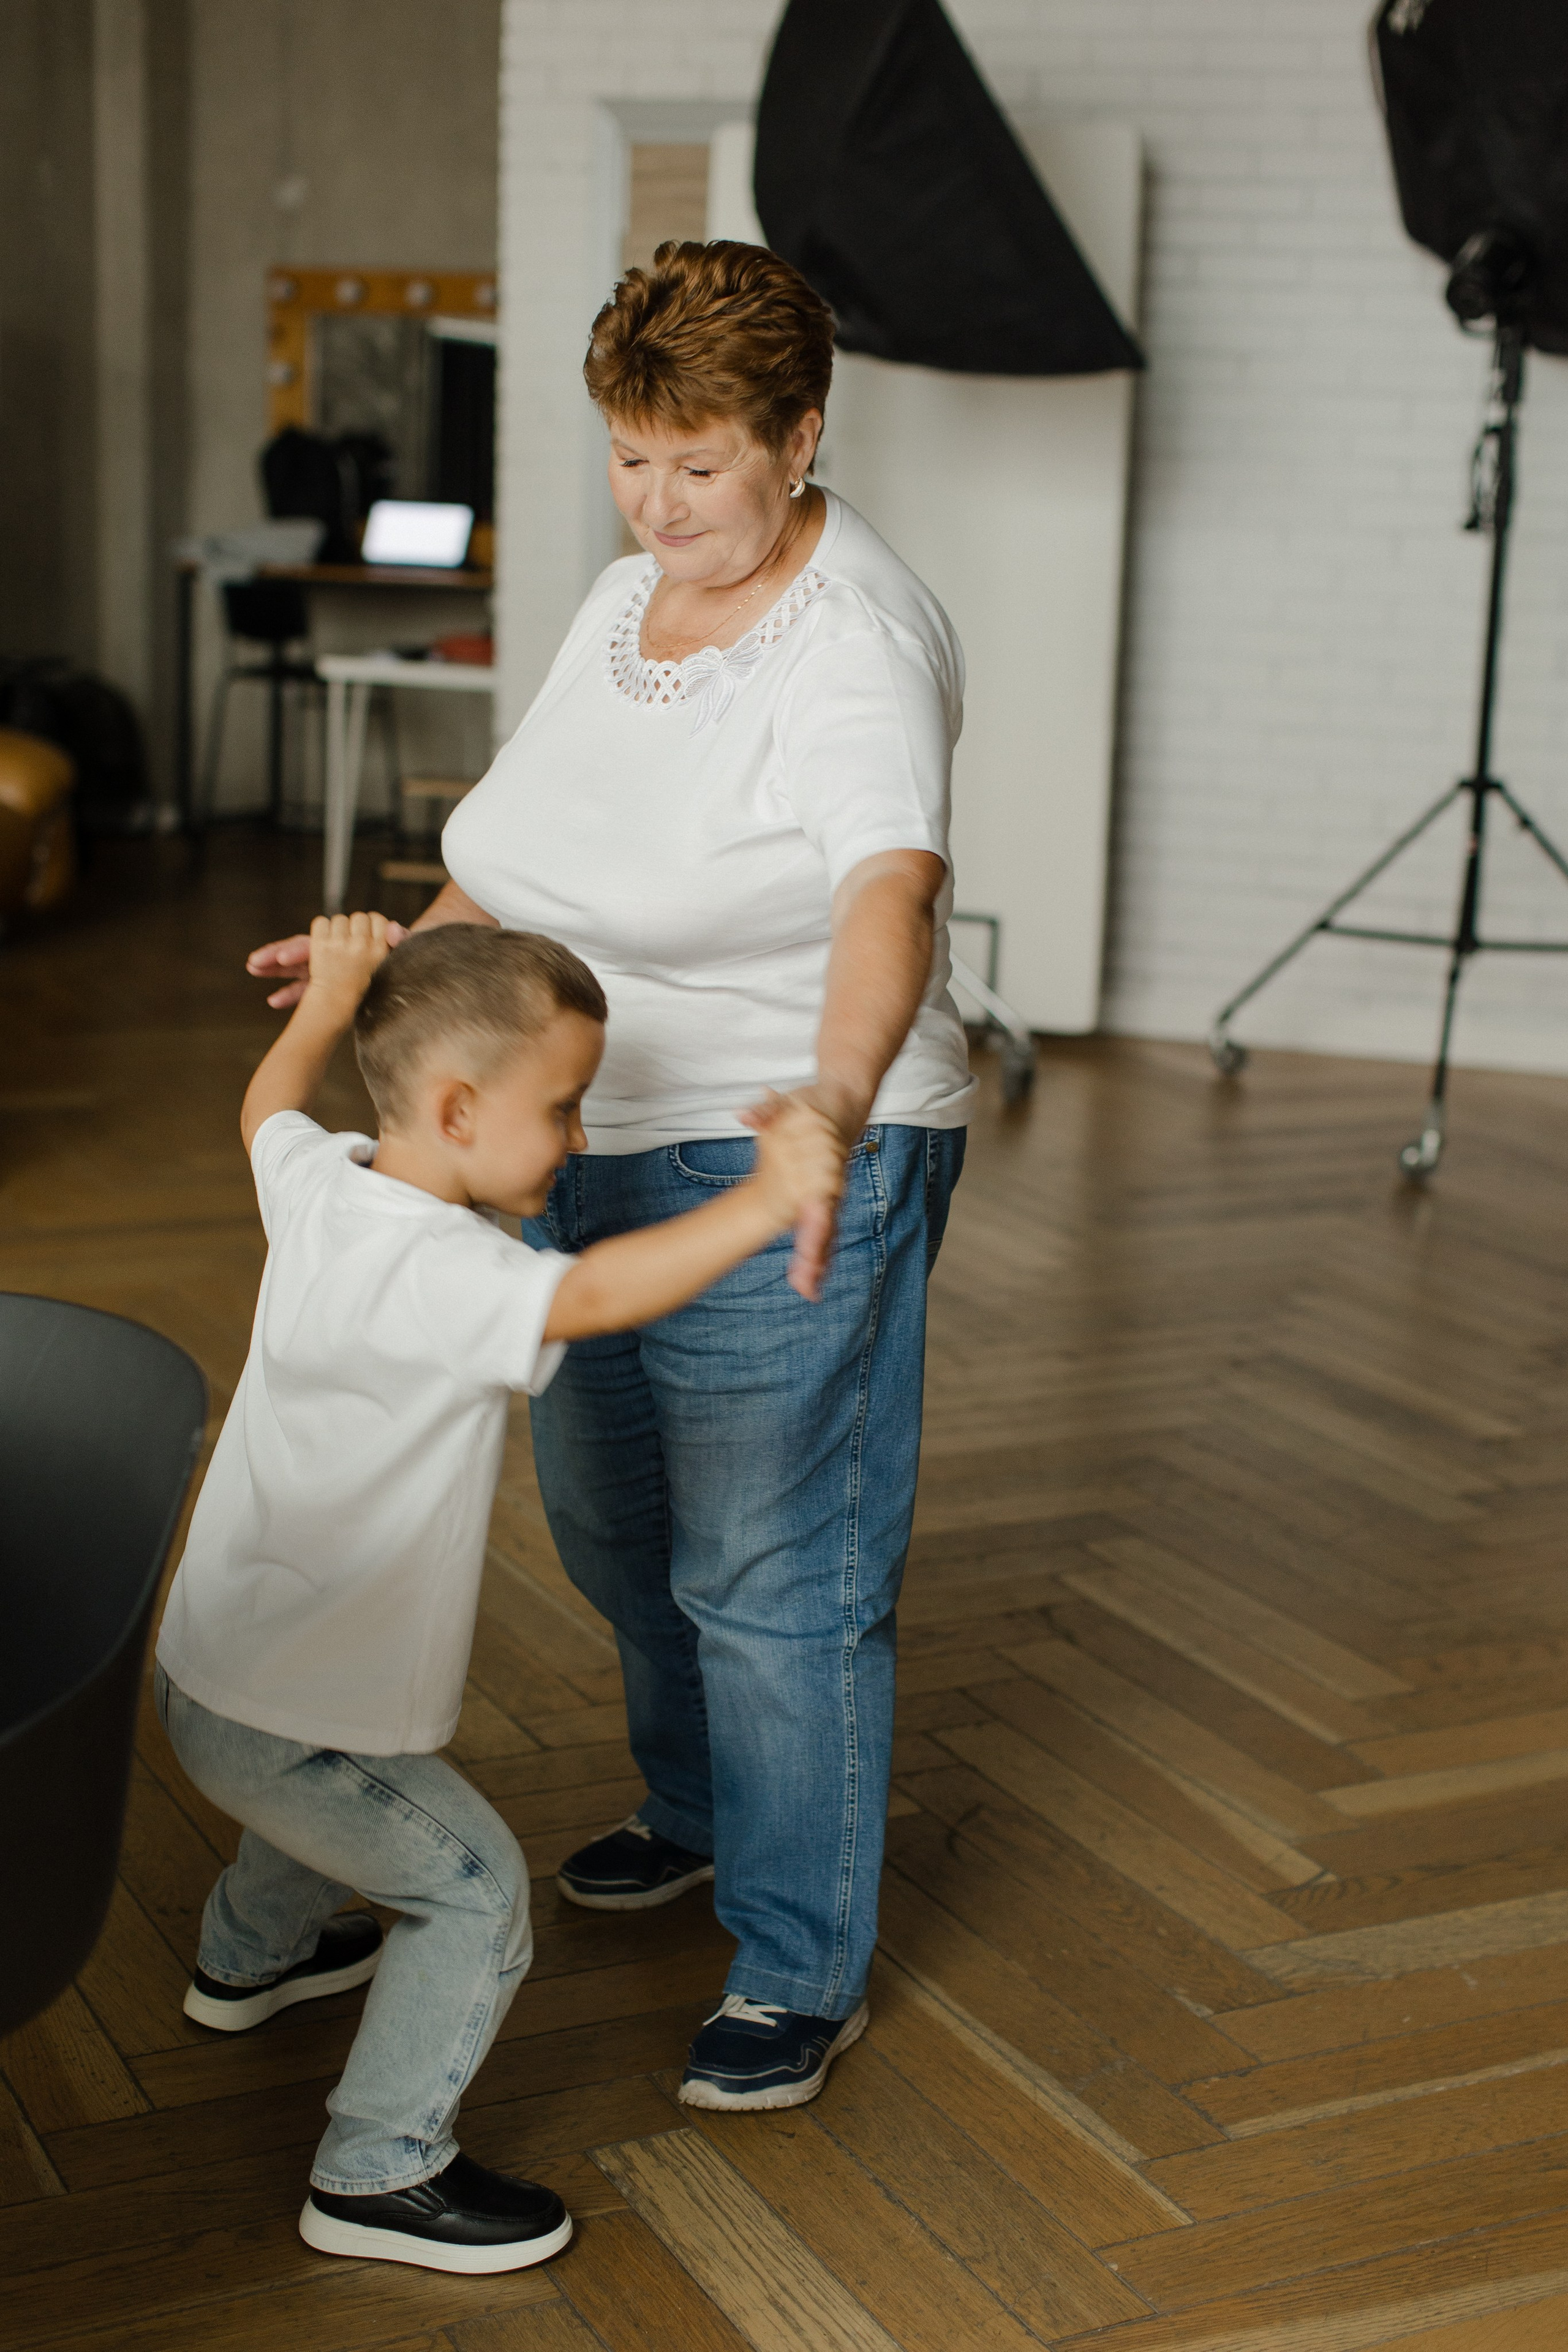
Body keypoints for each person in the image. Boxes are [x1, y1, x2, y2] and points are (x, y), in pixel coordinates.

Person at [246, 238, 975, 2114]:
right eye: (632, 460)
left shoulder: (855, 641)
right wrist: (393, 991)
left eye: (701, 465)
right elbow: (521, 855)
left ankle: (799, 1959)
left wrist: (827, 1092)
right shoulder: (627, 597)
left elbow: (890, 886)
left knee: (770, 1567)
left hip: (785, 1144)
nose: (659, 505)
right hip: (578, 1133)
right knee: (612, 1521)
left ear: (801, 437)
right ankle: (699, 1806)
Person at [155, 911, 843, 2273]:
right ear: (460, 1110)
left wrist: (329, 998)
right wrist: (766, 1198)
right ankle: (375, 2169)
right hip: (288, 1708)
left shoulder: (327, 1185)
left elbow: (266, 1106)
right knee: (470, 1891)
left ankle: (249, 1960)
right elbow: (590, 1297)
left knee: (328, 1776)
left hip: (215, 1669)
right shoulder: (446, 1268)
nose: (580, 1142)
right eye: (567, 1109)